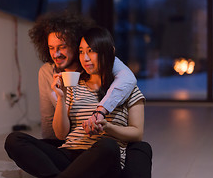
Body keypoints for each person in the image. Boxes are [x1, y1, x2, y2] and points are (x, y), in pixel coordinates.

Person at [4, 27, 155, 178]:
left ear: (108, 52)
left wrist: (107, 127)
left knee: (108, 146)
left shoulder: (128, 89)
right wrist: (61, 97)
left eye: (91, 51)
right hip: (70, 156)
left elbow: (137, 133)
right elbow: (61, 133)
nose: (85, 58)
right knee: (14, 140)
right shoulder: (74, 85)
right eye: (82, 51)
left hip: (105, 163)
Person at [28, 11, 137, 142]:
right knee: (18, 141)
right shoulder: (46, 72)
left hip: (97, 139)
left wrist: (101, 111)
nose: (56, 54)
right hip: (65, 140)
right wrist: (53, 149)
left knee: (139, 148)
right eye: (51, 48)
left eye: (62, 47)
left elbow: (128, 78)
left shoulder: (95, 64)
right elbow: (48, 118)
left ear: (76, 44)